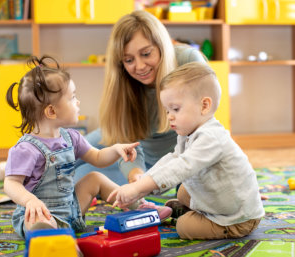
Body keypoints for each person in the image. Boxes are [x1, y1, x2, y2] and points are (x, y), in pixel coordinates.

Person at [3, 55, 172, 240]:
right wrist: (30, 201)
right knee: (35, 223)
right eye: (72, 97)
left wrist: (115, 150)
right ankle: (54, 239)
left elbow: (98, 157)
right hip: (41, 213)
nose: (78, 102)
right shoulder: (26, 149)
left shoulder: (71, 137)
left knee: (95, 178)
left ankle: (138, 204)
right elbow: (10, 184)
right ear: (51, 111)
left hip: (72, 209)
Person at [108, 62, 265, 240]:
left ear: (204, 106)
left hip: (236, 217)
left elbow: (182, 167)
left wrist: (138, 188)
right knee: (183, 191)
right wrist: (141, 185)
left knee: (184, 227)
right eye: (167, 111)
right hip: (219, 199)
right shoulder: (188, 133)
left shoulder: (211, 137)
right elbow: (173, 158)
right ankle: (197, 210)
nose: (170, 117)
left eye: (175, 109)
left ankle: (199, 217)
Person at [74, 10, 207, 185]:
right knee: (70, 155)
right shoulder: (124, 82)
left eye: (146, 54)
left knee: (83, 177)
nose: (140, 66)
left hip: (174, 158)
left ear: (161, 46)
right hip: (138, 150)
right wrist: (135, 174)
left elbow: (205, 132)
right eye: (129, 60)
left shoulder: (188, 61)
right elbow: (124, 139)